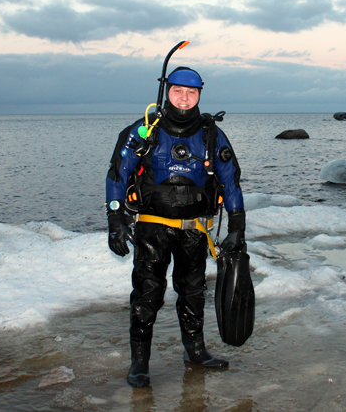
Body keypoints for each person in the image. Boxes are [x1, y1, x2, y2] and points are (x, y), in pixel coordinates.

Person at [105, 66, 246, 388]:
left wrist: (237, 226)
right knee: (147, 294)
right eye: (178, 91)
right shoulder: (142, 132)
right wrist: (116, 220)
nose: (184, 98)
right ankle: (139, 363)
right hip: (152, 228)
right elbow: (116, 176)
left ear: (199, 95)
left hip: (194, 229)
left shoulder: (211, 135)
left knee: (193, 292)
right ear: (167, 91)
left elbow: (231, 181)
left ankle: (195, 351)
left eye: (192, 92)